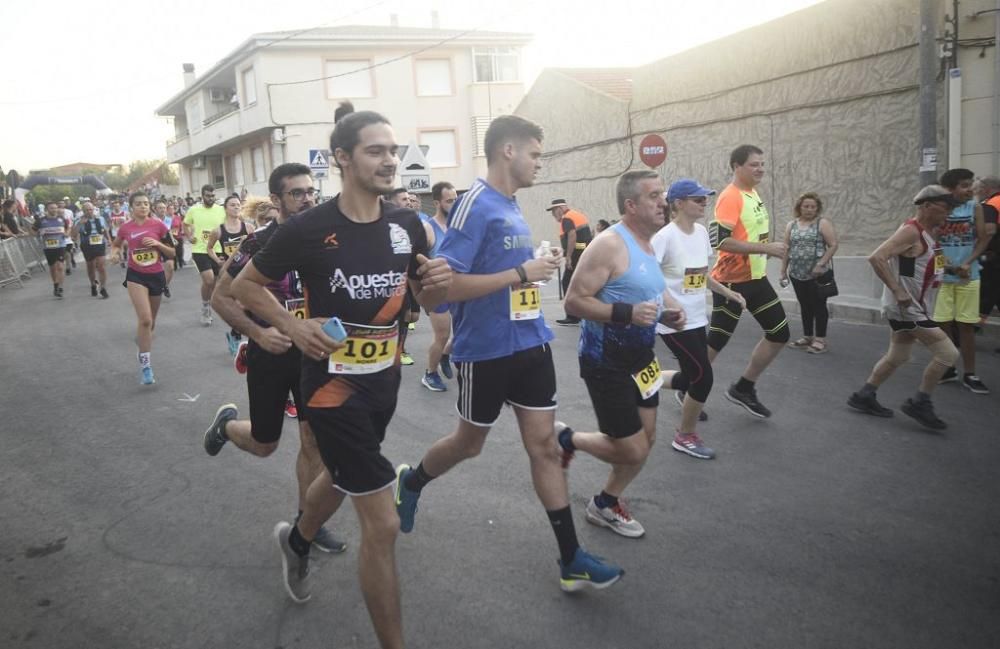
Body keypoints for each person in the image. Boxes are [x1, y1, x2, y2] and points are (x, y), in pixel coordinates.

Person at [231, 110, 451, 649]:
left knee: (346, 473)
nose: (390, 159)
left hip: (382, 382)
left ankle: (299, 541)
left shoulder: (408, 226)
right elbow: (244, 286)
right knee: (382, 523)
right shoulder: (309, 228)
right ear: (343, 159)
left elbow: (427, 298)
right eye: (376, 150)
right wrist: (291, 325)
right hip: (330, 389)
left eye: (393, 150)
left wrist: (437, 283)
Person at [394, 115, 624, 593]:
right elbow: (446, 288)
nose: (541, 163)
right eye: (536, 154)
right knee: (468, 445)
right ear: (509, 152)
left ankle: (571, 558)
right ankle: (412, 482)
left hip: (532, 343)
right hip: (486, 352)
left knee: (542, 447)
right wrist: (521, 274)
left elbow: (513, 270)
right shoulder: (473, 205)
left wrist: (539, 268)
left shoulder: (514, 206)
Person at [204, 164, 345, 557]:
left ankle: (308, 525)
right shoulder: (258, 242)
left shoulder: (326, 238)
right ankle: (228, 427)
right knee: (266, 444)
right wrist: (259, 333)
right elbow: (221, 297)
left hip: (312, 354)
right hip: (272, 351)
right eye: (297, 193)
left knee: (312, 439)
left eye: (310, 191)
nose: (307, 199)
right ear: (277, 200)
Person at [556, 170, 686, 540]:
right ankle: (567, 439)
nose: (665, 202)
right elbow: (574, 301)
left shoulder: (649, 243)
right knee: (631, 450)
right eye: (654, 196)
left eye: (664, 194)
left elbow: (652, 290)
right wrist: (625, 314)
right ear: (631, 205)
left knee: (646, 442)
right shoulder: (610, 244)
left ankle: (605, 503)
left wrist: (671, 311)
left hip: (642, 359)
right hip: (605, 363)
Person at [847, 186, 960, 430]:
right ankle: (921, 402)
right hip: (908, 309)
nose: (949, 211)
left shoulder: (931, 232)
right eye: (945, 205)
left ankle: (865, 395)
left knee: (899, 355)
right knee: (947, 354)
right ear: (927, 205)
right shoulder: (912, 231)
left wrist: (950, 269)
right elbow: (877, 257)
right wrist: (898, 290)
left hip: (917, 306)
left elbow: (923, 264)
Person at [653, 178, 747, 458]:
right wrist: (669, 306)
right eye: (698, 199)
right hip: (673, 322)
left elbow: (701, 275)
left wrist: (728, 293)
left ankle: (642, 381)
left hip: (696, 317)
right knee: (703, 377)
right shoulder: (664, 237)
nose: (704, 203)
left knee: (689, 377)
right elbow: (649, 278)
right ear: (678, 204)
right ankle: (684, 436)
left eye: (705, 199)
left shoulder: (702, 233)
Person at [707, 144, 789, 418]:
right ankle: (689, 385)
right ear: (736, 166)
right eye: (754, 164)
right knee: (715, 343)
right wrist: (767, 249)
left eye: (762, 164)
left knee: (779, 333)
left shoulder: (752, 193)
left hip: (756, 278)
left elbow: (750, 234)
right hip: (730, 282)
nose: (761, 169)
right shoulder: (730, 197)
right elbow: (721, 241)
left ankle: (743, 387)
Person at [932, 169, 991, 394]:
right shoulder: (940, 210)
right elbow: (934, 242)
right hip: (943, 277)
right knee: (942, 324)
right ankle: (948, 368)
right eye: (965, 185)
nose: (970, 189)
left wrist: (968, 263)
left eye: (971, 184)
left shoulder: (974, 208)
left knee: (966, 325)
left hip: (969, 276)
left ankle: (970, 373)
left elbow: (983, 239)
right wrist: (945, 265)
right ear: (951, 189)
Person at [109, 192, 175, 385]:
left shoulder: (159, 226)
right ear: (131, 207)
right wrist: (114, 254)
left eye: (146, 204)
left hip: (156, 275)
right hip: (135, 276)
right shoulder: (125, 227)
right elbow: (116, 245)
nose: (143, 207)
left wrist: (157, 244)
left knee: (151, 323)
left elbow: (172, 252)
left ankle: (142, 343)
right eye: (139, 204)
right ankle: (146, 366)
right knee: (145, 320)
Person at [781, 192, 839, 354]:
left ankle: (820, 339)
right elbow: (786, 249)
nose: (809, 209)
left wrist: (821, 264)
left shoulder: (822, 223)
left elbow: (833, 245)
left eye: (813, 207)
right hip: (797, 273)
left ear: (817, 208)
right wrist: (783, 271)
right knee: (805, 305)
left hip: (817, 274)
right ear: (799, 207)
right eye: (806, 206)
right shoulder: (791, 225)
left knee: (819, 306)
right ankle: (807, 336)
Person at [420, 181, 458, 392]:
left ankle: (445, 353)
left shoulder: (458, 226)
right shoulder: (428, 228)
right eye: (449, 201)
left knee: (464, 332)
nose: (454, 204)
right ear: (437, 203)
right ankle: (430, 373)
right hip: (438, 293)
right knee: (442, 336)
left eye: (456, 199)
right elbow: (416, 262)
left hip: (460, 289)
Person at [207, 195, 254, 356]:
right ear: (226, 208)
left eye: (238, 205)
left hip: (246, 272)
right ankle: (235, 335)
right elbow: (210, 248)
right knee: (237, 306)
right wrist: (217, 260)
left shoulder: (248, 228)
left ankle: (235, 334)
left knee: (246, 305)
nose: (236, 207)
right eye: (232, 205)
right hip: (229, 272)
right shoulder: (219, 230)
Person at [546, 198, 593, 326]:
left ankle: (573, 315)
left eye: (554, 211)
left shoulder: (566, 218)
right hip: (585, 253)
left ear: (560, 209)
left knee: (567, 282)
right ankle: (582, 313)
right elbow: (580, 241)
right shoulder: (576, 215)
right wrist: (564, 250)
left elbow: (572, 236)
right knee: (580, 284)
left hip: (577, 256)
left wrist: (568, 257)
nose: (553, 215)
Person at [184, 184, 226, 326]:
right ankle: (205, 307)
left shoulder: (221, 210)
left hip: (217, 249)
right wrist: (189, 236)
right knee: (208, 280)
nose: (211, 198)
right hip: (200, 249)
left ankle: (208, 304)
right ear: (202, 196)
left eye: (213, 195)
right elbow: (185, 225)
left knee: (214, 282)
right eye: (208, 195)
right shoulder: (194, 210)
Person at [387, 188, 420, 366]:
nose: (409, 202)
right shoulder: (385, 223)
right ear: (392, 202)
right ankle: (399, 350)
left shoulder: (412, 222)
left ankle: (398, 347)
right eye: (404, 199)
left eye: (409, 199)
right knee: (401, 316)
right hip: (390, 282)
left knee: (413, 316)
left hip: (410, 278)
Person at [976, 177, 1000, 339]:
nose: (975, 192)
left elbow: (988, 232)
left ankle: (968, 332)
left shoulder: (990, 205)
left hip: (993, 259)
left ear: (986, 189)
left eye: (977, 189)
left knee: (985, 295)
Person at [71, 201, 111, 298]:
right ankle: (93, 284)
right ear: (83, 211)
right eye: (87, 210)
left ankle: (103, 288)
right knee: (91, 267)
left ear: (93, 209)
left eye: (91, 209)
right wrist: (80, 224)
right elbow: (73, 235)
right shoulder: (78, 220)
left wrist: (109, 239)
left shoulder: (100, 218)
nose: (89, 212)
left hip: (100, 244)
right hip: (87, 245)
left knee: (101, 266)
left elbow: (105, 229)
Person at [33, 201, 68, 298]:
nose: (54, 209)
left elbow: (68, 228)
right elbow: (33, 229)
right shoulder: (41, 220)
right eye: (52, 208)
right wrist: (37, 234)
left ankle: (60, 287)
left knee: (60, 267)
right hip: (48, 247)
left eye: (55, 208)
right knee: (53, 268)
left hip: (60, 246)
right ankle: (55, 285)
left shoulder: (61, 219)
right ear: (47, 209)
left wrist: (66, 233)